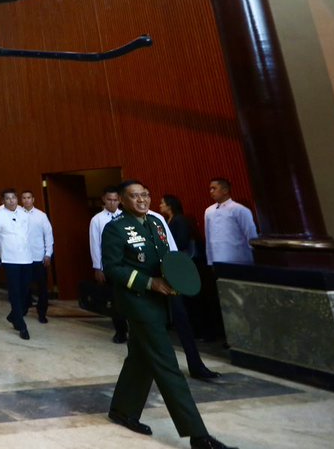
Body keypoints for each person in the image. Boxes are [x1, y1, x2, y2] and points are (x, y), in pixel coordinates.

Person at [102, 180, 237, 449]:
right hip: (138, 303)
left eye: (145, 194)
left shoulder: (156, 223)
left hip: (162, 300)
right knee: (167, 365)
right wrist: (149, 282)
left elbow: (168, 258)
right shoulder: (115, 228)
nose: (141, 200)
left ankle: (122, 410)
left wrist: (174, 281)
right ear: (123, 201)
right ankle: (198, 435)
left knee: (140, 358)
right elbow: (113, 268)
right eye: (134, 196)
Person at [158, 195, 222, 380]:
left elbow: (178, 243)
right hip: (166, 272)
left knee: (188, 308)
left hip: (179, 269)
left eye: (162, 202)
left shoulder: (173, 220)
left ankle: (199, 346)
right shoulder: (164, 220)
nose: (159, 205)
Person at [0, 188, 32, 339]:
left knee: (25, 290)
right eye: (7, 198)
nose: (11, 201)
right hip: (9, 259)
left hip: (26, 257)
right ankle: (21, 325)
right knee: (14, 291)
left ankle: (13, 315)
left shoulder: (24, 214)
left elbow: (27, 234)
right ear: (3, 201)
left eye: (13, 198)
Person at [89, 186, 128, 343]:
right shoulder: (97, 219)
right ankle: (120, 332)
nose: (112, 203)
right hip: (109, 266)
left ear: (120, 200)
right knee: (115, 299)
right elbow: (95, 244)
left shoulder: (126, 216)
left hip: (127, 264)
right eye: (109, 200)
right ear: (104, 200)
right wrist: (98, 267)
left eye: (115, 200)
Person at [204, 178, 258, 266]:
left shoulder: (239, 209)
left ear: (225, 190)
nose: (211, 191)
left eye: (214, 188)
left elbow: (250, 234)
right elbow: (208, 238)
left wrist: (254, 257)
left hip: (239, 259)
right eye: (210, 189)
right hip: (217, 260)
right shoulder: (208, 211)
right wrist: (210, 261)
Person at [20, 189, 53, 324]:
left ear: (33, 199)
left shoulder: (41, 216)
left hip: (39, 257)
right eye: (24, 198)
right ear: (21, 200)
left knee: (42, 288)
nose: (26, 200)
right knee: (24, 285)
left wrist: (48, 254)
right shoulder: (17, 215)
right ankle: (23, 308)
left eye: (29, 197)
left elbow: (48, 235)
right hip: (22, 257)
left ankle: (42, 313)